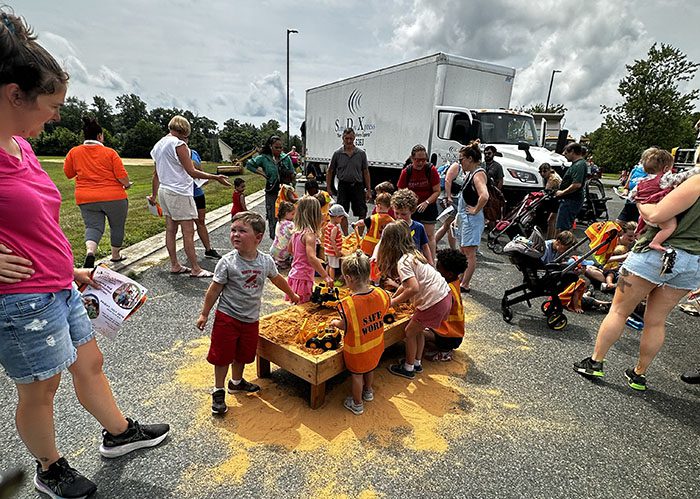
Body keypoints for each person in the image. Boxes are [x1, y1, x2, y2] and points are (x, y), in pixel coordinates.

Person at [0, 10, 169, 497]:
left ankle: (119, 435)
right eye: (51, 106)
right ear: (15, 95)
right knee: (40, 391)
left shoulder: (20, 146)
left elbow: (33, 224)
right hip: (21, 301)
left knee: (90, 363)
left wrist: (71, 269)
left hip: (58, 284)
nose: (57, 117)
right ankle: (49, 469)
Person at [574, 170, 700, 391]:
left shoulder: (697, 181)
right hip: (692, 263)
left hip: (655, 256)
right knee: (656, 320)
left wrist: (641, 201)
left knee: (619, 311)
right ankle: (638, 374)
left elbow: (657, 215)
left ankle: (595, 362)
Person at [196, 212, 300, 415]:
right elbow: (214, 289)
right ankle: (218, 390)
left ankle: (236, 382)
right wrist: (204, 314)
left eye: (242, 231)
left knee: (244, 354)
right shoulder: (227, 262)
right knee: (222, 356)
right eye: (233, 230)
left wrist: (292, 293)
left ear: (258, 237)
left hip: (250, 318)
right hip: (227, 317)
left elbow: (277, 279)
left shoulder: (265, 261)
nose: (235, 234)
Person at [150, 115, 230, 277]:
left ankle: (175, 264)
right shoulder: (179, 144)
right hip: (179, 191)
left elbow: (156, 174)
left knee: (170, 230)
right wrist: (215, 177)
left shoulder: (158, 145)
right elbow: (192, 171)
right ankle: (195, 268)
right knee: (188, 231)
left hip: (164, 191)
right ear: (184, 131)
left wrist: (153, 195)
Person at [377, 222, 451, 379]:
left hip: (433, 302)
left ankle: (408, 368)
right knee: (419, 331)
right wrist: (394, 296)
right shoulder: (413, 255)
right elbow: (406, 285)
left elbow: (413, 288)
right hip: (444, 296)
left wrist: (393, 302)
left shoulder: (402, 263)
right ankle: (416, 362)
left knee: (409, 332)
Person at [64, 116, 131, 267]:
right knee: (117, 226)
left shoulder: (74, 152)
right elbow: (122, 176)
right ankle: (115, 255)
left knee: (93, 227)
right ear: (99, 136)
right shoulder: (110, 153)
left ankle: (90, 252)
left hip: (86, 197)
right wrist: (127, 185)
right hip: (114, 197)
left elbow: (69, 174)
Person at [330, 250, 390, 415]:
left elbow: (344, 325)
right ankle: (368, 392)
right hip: (376, 344)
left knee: (357, 375)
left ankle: (357, 403)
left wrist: (335, 323)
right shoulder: (381, 294)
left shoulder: (348, 304)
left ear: (348, 278)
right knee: (370, 368)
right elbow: (382, 312)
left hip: (357, 350)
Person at [629, 147, 700, 255]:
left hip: (646, 212)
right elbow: (656, 215)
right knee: (670, 226)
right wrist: (696, 170)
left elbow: (634, 194)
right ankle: (655, 242)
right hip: (658, 215)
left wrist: (639, 203)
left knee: (645, 224)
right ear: (666, 168)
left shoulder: (642, 181)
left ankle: (640, 233)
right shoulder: (665, 179)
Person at [454, 142, 488, 293]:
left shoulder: (478, 174)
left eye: (461, 159)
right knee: (464, 250)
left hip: (472, 219)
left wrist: (475, 210)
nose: (460, 163)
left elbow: (484, 196)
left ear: (469, 158)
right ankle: (461, 278)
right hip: (465, 218)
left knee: (469, 252)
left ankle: (465, 283)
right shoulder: (471, 174)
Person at [397, 144, 441, 261]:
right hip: (411, 208)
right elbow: (401, 192)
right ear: (412, 159)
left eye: (423, 160)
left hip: (428, 206)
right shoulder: (407, 172)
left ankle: (431, 262)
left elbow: (437, 191)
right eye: (418, 160)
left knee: (429, 236)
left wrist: (426, 202)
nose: (421, 163)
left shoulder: (430, 170)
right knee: (408, 234)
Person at [246, 135, 295, 238]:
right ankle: (275, 239)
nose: (279, 150)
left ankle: (289, 240)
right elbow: (249, 164)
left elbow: (292, 172)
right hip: (272, 190)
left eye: (281, 147)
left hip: (285, 191)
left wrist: (290, 179)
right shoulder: (264, 158)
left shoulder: (286, 158)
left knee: (288, 215)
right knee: (273, 216)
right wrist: (262, 173)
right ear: (270, 146)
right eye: (276, 147)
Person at [423, 249, 468, 362]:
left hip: (449, 336)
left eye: (438, 270)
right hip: (453, 334)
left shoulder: (448, 291)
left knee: (412, 329)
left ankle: (443, 351)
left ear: (449, 274)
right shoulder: (454, 282)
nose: (436, 272)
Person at [288, 196, 333, 302]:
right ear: (315, 215)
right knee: (303, 306)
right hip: (304, 277)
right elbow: (311, 257)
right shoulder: (309, 235)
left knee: (296, 305)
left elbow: (290, 249)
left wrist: (300, 257)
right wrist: (325, 276)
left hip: (294, 274)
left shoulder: (296, 232)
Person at [326, 127, 371, 226]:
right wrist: (328, 188)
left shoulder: (361, 153)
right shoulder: (337, 154)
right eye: (346, 138)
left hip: (357, 185)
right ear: (343, 138)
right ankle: (346, 236)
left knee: (362, 212)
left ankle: (358, 237)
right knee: (340, 212)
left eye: (351, 138)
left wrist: (368, 189)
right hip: (343, 186)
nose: (349, 141)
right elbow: (330, 171)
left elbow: (366, 171)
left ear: (354, 138)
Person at [190, 148, 222, 259]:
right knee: (188, 225)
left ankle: (208, 249)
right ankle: (190, 251)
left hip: (198, 192)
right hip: (185, 193)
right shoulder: (177, 154)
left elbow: (200, 171)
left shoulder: (194, 153)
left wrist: (203, 178)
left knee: (201, 221)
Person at [390, 189, 432, 265]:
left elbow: (425, 246)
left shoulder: (419, 227)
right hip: (396, 263)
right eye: (396, 213)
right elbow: (381, 243)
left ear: (412, 211)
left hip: (415, 263)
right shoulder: (391, 227)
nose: (399, 217)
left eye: (403, 214)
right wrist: (375, 255)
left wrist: (430, 262)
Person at [555, 142, 588, 233]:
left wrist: (562, 192)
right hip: (569, 200)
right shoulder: (576, 164)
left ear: (572, 152)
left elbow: (576, 185)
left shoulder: (579, 165)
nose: (564, 155)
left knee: (563, 227)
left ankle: (565, 245)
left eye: (566, 153)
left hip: (571, 200)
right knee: (564, 225)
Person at [435, 159, 466, 250]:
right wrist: (448, 197)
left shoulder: (467, 169)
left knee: (449, 226)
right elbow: (448, 180)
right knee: (448, 225)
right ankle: (433, 244)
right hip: (447, 199)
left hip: (456, 199)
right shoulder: (457, 166)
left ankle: (452, 249)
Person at [324, 204, 347, 286]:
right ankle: (331, 281)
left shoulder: (328, 225)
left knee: (328, 265)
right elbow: (332, 240)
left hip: (327, 250)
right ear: (337, 217)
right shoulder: (334, 228)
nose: (342, 219)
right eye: (341, 218)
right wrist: (337, 251)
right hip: (332, 251)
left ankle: (326, 279)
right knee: (332, 267)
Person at [539, 163, 562, 239]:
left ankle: (551, 239)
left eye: (544, 171)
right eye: (540, 172)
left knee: (553, 221)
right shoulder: (552, 175)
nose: (542, 174)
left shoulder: (552, 178)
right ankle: (550, 238)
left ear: (549, 170)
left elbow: (546, 190)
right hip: (557, 199)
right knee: (551, 221)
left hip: (559, 200)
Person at [270, 201, 295, 269]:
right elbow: (296, 233)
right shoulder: (290, 224)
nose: (294, 216)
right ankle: (282, 262)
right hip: (283, 251)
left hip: (274, 249)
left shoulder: (279, 222)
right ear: (286, 213)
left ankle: (278, 262)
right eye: (292, 214)